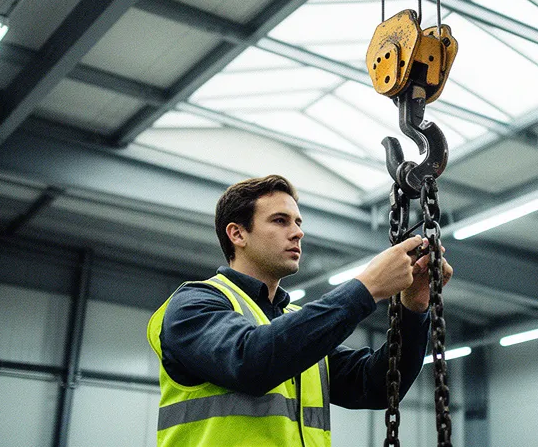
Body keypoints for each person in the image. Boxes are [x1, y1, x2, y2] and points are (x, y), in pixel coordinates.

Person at [147, 175, 453, 447]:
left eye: (298, 222)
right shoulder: (193, 305)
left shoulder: (295, 323)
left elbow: (376, 386)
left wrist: (413, 306)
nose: (297, 233)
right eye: (280, 221)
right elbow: (250, 362)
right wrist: (366, 286)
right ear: (237, 234)